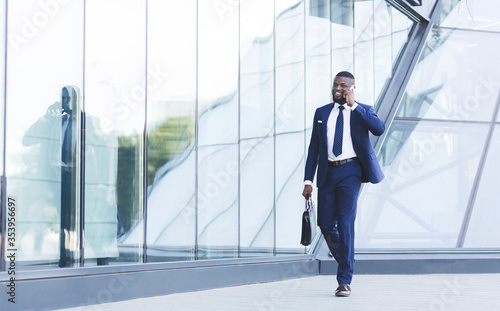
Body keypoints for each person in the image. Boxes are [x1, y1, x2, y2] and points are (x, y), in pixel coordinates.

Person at [302, 71, 385, 297]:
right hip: (328, 172)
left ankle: (344, 280)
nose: (338, 88)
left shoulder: (362, 110)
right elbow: (313, 150)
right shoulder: (321, 113)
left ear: (352, 88)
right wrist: (308, 180)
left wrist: (353, 105)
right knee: (326, 224)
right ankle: (347, 259)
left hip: (351, 171)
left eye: (343, 86)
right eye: (335, 85)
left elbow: (379, 129)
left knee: (345, 222)